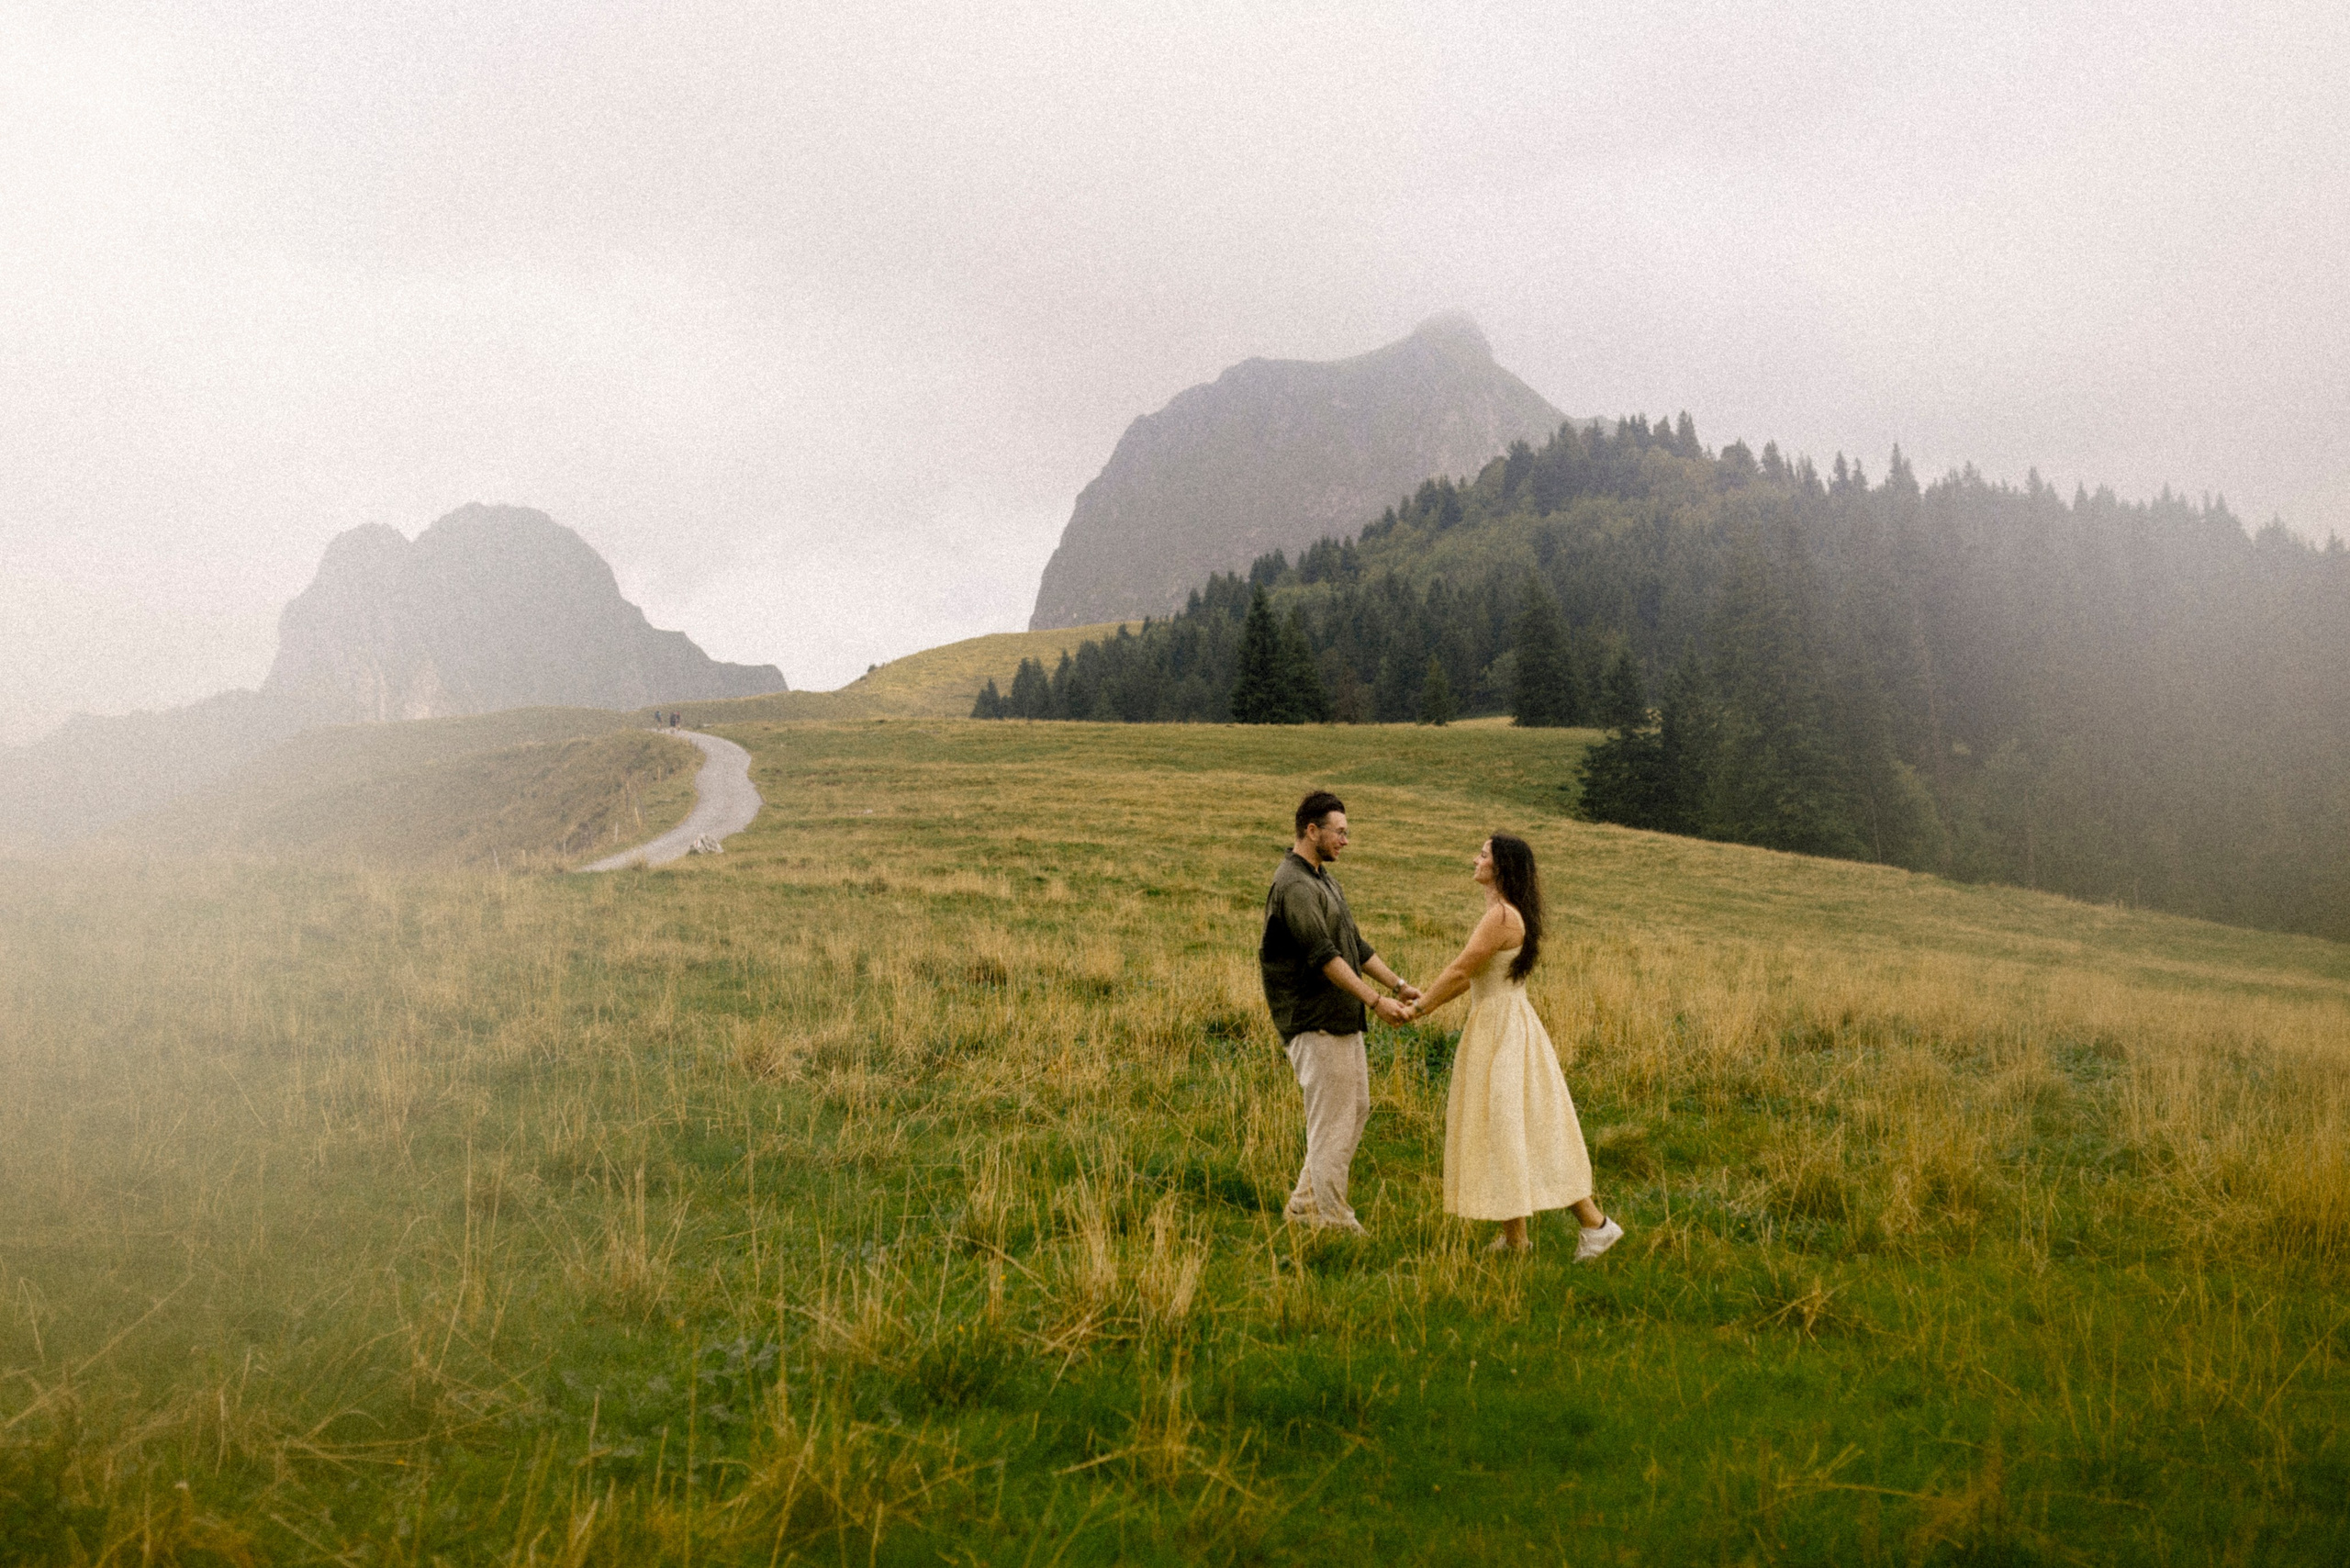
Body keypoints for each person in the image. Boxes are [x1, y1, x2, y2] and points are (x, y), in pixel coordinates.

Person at [1404, 834, 1623, 1260]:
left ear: (1501, 867)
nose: (1475, 858)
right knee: (1504, 1128)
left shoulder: (1502, 917)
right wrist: (1424, 1002)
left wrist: (1419, 1009)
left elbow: (1462, 969)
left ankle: (1596, 1225)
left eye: (1483, 854)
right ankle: (1516, 1239)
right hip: (1498, 1025)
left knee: (1515, 1127)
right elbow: (1469, 976)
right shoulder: (1503, 914)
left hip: (1503, 1029)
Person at [1260, 790, 1420, 1233]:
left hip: (1341, 1019)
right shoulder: (1293, 885)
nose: (1346, 841)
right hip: (1313, 1022)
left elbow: (1355, 946)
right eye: (1340, 832)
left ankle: (1304, 1207)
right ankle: (1332, 1219)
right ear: (1312, 831)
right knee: (1332, 1122)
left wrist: (1399, 986)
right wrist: (1375, 1001)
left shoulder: (1324, 880)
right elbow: (1324, 955)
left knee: (1356, 1109)